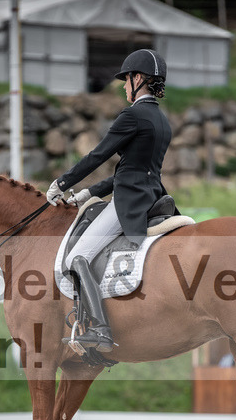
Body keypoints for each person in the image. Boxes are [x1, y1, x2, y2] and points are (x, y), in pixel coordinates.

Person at [45, 49, 171, 352]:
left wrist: (61, 183)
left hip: (129, 202)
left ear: (138, 79)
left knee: (79, 259)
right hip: (152, 194)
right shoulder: (161, 120)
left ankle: (99, 329)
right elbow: (134, 171)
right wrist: (90, 193)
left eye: (126, 81)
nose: (124, 87)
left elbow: (98, 155)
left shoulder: (133, 115)